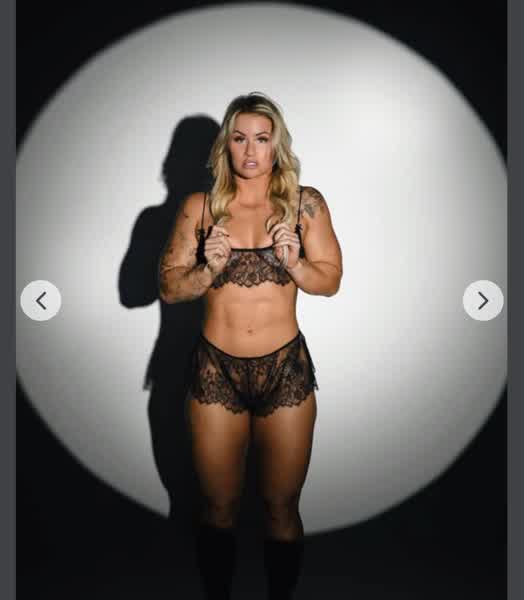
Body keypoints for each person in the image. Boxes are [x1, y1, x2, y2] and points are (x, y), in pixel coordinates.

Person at [158, 92, 343, 599]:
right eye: (239, 138)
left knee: (281, 506)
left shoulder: (304, 204)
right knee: (217, 506)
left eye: (262, 139)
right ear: (226, 145)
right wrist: (207, 269)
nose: (251, 150)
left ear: (277, 144)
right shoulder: (200, 208)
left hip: (285, 370)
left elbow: (330, 281)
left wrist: (295, 263)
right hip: (215, 370)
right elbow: (168, 288)